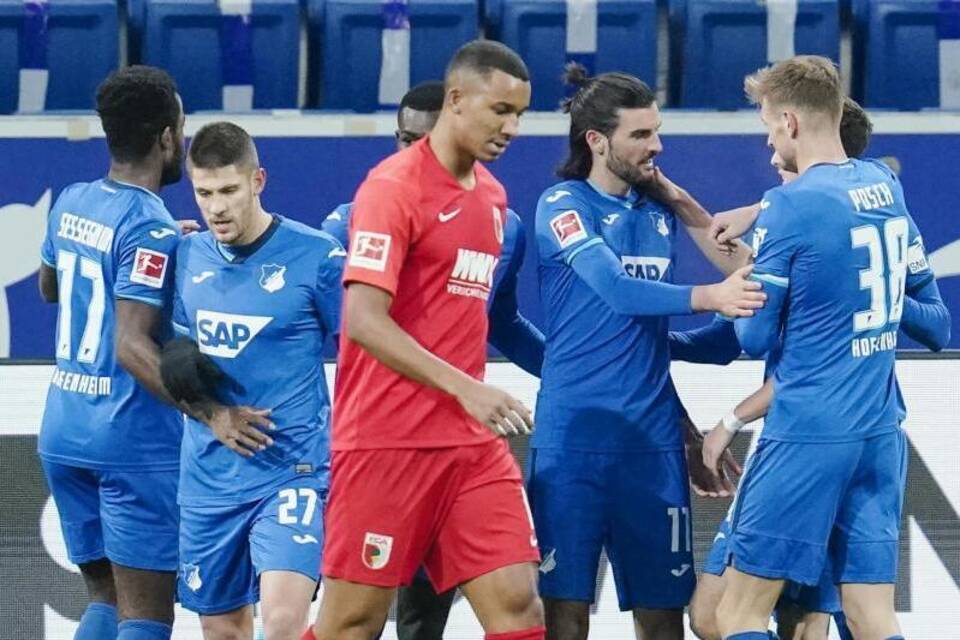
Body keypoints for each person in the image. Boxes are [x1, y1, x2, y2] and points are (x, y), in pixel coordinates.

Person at [306, 40, 545, 640]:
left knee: (518, 607)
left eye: (520, 114)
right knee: (351, 625)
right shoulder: (391, 188)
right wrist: (467, 387)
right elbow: (361, 319)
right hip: (387, 441)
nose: (511, 128)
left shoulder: (493, 200)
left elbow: (478, 320)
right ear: (456, 99)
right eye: (500, 111)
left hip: (468, 447)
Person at [528, 65, 766, 640]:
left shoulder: (658, 212)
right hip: (573, 445)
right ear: (596, 140)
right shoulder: (562, 205)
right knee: (565, 616)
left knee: (663, 618)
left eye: (657, 131)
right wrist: (710, 297)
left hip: (651, 448)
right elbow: (617, 289)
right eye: (640, 135)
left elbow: (751, 280)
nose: (656, 146)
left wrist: (684, 204)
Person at [717, 56, 950, 640]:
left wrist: (749, 277)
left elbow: (754, 336)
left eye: (770, 125)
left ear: (790, 122)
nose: (770, 138)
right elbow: (936, 327)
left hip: (808, 431)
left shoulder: (791, 207)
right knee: (870, 614)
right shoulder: (884, 184)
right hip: (879, 432)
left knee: (736, 613)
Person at [689, 96, 876, 640]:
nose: (771, 152)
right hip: (827, 433)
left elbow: (771, 346)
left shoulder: (818, 243)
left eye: (777, 138)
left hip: (807, 438)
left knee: (756, 615)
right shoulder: (811, 224)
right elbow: (743, 314)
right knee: (734, 616)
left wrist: (730, 420)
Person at [162, 122, 345, 640]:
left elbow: (364, 351)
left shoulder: (318, 256)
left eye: (228, 191)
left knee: (284, 621)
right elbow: (172, 349)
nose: (216, 207)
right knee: (222, 630)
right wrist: (208, 410)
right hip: (208, 481)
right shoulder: (187, 256)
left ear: (257, 180)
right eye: (203, 193)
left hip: (293, 469)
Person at [36, 65, 186, 640]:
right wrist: (211, 414)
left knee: (103, 596)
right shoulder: (151, 226)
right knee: (146, 614)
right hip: (129, 438)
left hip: (64, 428)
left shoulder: (74, 199)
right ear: (167, 137)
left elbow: (51, 288)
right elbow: (131, 345)